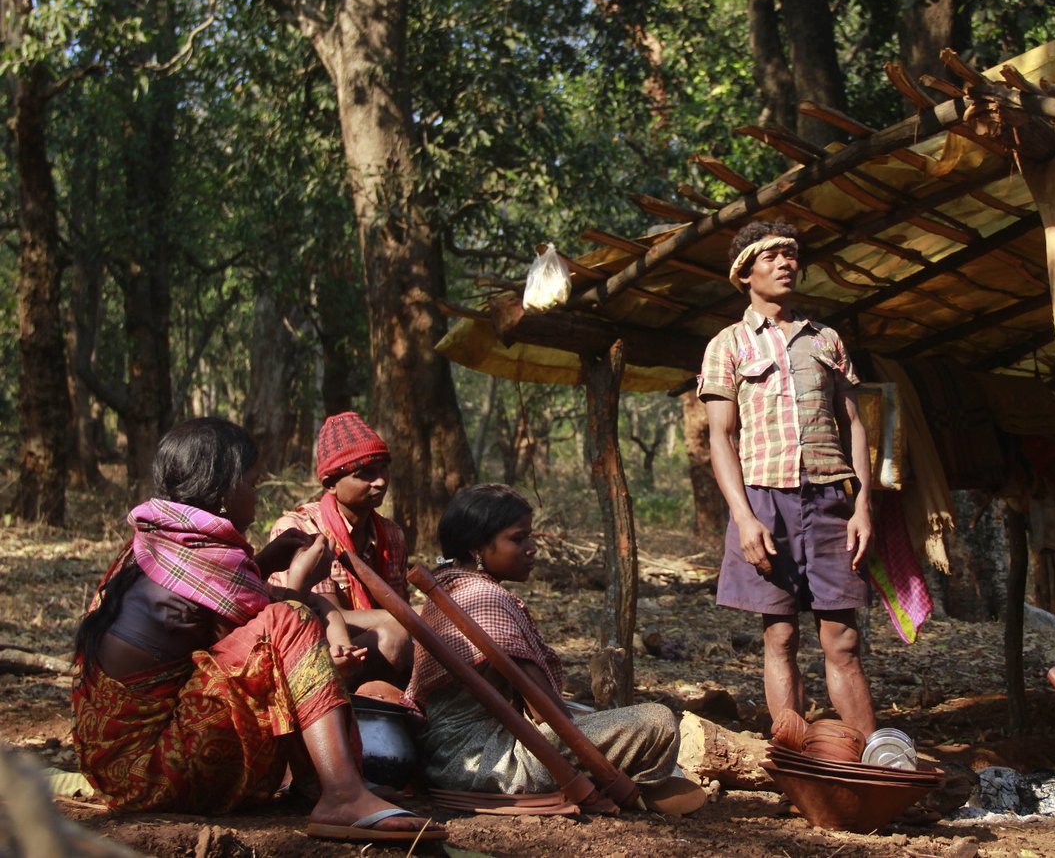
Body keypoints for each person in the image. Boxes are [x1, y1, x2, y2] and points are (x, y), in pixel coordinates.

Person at [71, 417, 446, 845]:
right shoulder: (208, 557)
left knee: (294, 615)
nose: (256, 492)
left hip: (115, 764)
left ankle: (329, 785)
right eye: (251, 482)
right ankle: (342, 793)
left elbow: (229, 610)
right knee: (292, 617)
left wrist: (268, 561)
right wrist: (300, 583)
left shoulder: (166, 539)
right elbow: (273, 624)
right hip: (149, 770)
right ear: (224, 489)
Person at [404, 483, 706, 816]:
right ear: (477, 548)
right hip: (491, 764)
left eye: (530, 538)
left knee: (594, 715)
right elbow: (545, 711)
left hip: (446, 760)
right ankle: (637, 788)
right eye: (518, 539)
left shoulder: (449, 588)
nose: (532, 549)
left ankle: (636, 780)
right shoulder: (487, 599)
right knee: (657, 721)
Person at [698, 219, 878, 735]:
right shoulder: (728, 345)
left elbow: (856, 427)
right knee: (780, 636)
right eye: (771, 256)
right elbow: (720, 438)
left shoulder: (826, 339)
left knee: (842, 639)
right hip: (763, 503)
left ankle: (875, 760)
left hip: (828, 502)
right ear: (745, 273)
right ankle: (793, 758)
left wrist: (862, 507)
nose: (785, 264)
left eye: (791, 255)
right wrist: (744, 518)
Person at [268, 411, 412, 687]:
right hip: (311, 653)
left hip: (363, 648)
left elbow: (395, 605)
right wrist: (410, 616)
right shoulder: (302, 529)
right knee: (396, 635)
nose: (380, 481)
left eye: (383, 469)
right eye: (365, 474)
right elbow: (325, 616)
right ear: (330, 484)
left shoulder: (391, 535)